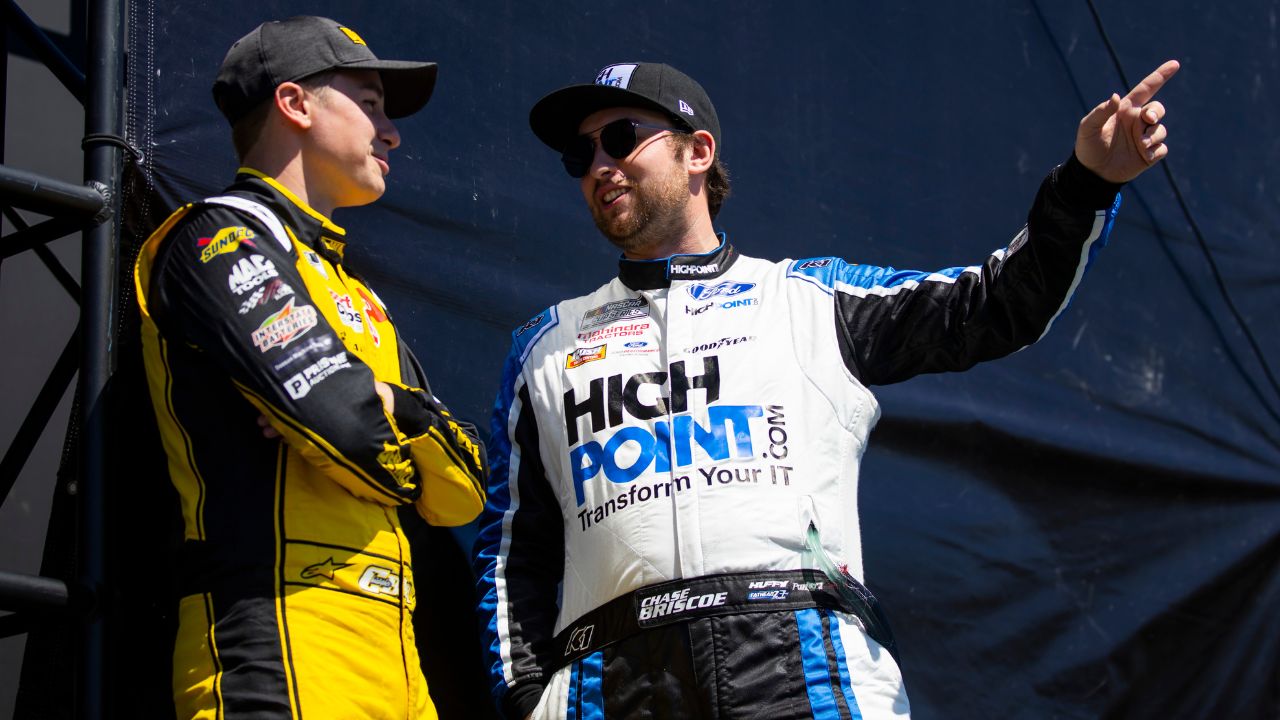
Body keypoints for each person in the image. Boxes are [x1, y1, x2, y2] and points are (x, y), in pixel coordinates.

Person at [473, 59, 1179, 719]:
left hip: (799, 661)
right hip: (610, 681)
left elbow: (995, 305)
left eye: (620, 138)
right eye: (580, 156)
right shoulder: (546, 346)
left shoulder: (810, 298)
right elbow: (512, 555)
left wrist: (1087, 182)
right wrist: (525, 700)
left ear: (699, 153)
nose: (599, 165)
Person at [133, 16, 486, 719]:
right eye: (371, 104)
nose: (391, 134)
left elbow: (466, 490)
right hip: (277, 639)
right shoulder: (216, 237)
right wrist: (385, 434)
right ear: (295, 104)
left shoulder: (360, 299)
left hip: (398, 661)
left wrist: (396, 408)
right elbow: (349, 431)